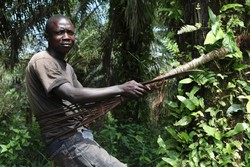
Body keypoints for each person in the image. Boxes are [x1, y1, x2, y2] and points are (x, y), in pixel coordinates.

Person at [25, 15, 149, 167]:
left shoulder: (67, 68)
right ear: (47, 37)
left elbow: (88, 101)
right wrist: (121, 88)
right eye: (60, 32)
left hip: (77, 136)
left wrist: (125, 94)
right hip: (66, 139)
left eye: (70, 32)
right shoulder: (43, 60)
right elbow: (72, 95)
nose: (66, 37)